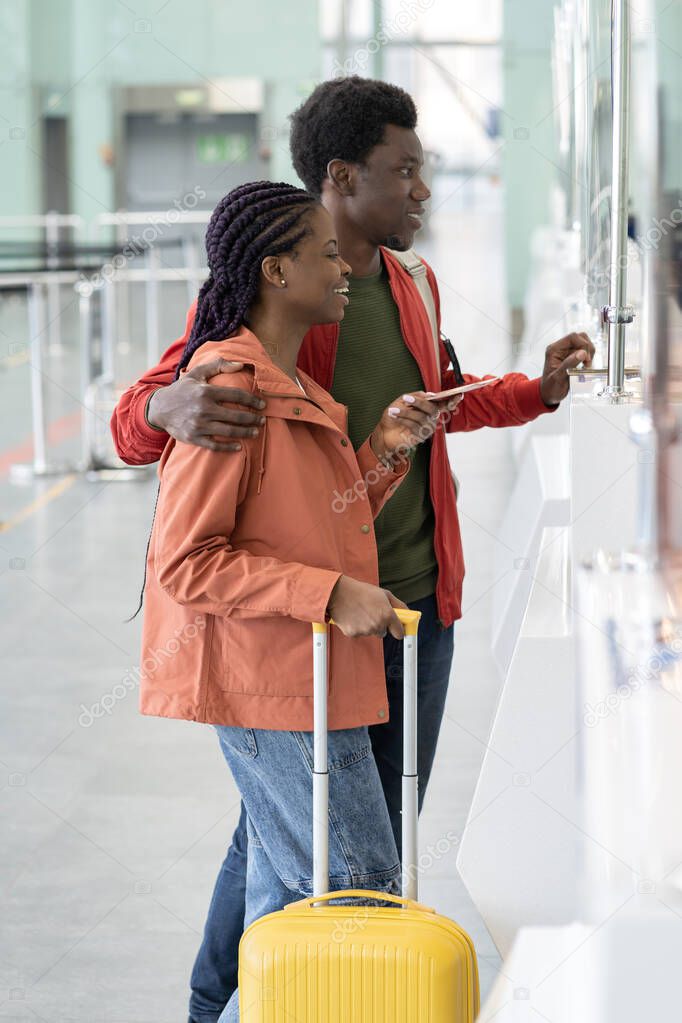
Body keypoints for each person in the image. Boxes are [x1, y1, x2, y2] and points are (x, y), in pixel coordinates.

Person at [112, 78, 595, 1023]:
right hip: (307, 627)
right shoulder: (272, 314)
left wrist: (531, 391)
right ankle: (226, 999)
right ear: (343, 177)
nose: (422, 190)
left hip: (411, 603)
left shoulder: (410, 283)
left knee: (324, 841)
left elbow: (432, 403)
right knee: (335, 858)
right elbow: (177, 416)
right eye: (404, 171)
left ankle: (252, 997)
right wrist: (157, 408)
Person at [140, 180, 454, 1023]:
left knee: (287, 895)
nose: (341, 267)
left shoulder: (290, 388)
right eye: (323, 253)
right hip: (272, 688)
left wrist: (385, 448)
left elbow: (327, 520)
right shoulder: (230, 392)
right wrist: (329, 592)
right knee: (354, 895)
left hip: (308, 680)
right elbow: (188, 562)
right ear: (276, 271)